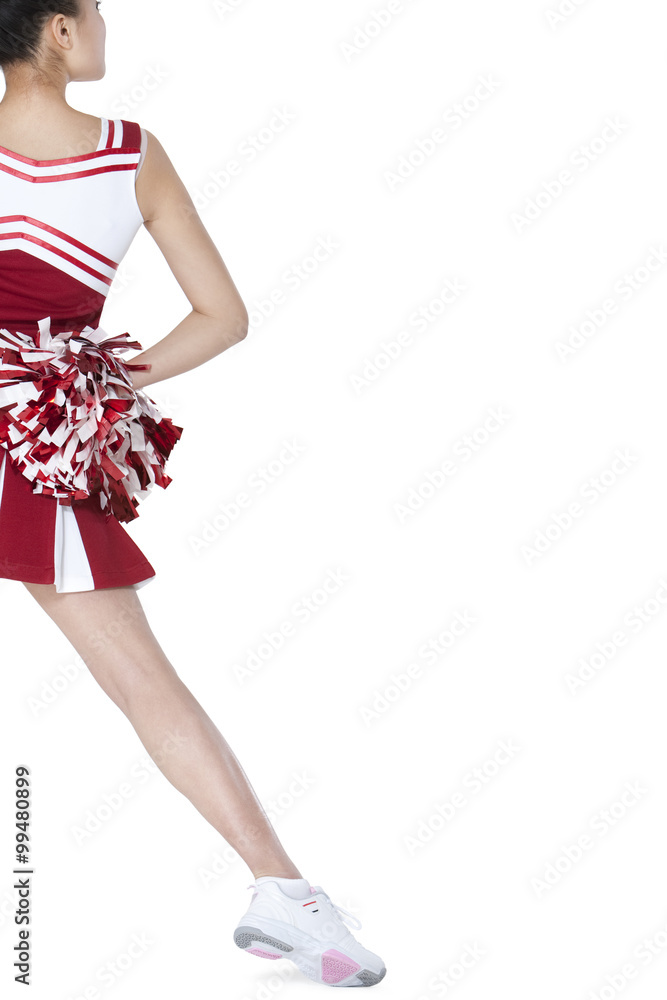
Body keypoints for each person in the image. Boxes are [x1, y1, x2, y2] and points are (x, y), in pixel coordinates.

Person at [0, 0, 386, 989]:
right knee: (144, 681)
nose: (104, 31)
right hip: (34, 455)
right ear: (57, 31)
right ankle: (282, 891)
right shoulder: (129, 152)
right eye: (95, 13)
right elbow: (222, 317)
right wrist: (98, 380)